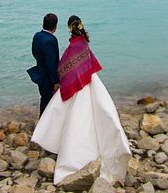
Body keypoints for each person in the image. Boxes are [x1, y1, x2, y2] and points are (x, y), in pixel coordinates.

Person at [31, 15, 131, 186]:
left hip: (74, 84)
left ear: (70, 28)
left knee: (66, 113)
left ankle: (54, 139)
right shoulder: (84, 44)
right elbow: (85, 63)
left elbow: (64, 67)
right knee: (98, 111)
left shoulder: (72, 46)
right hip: (89, 81)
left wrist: (59, 79)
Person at [28, 13, 60, 117]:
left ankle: (44, 124)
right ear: (55, 27)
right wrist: (55, 81)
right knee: (48, 102)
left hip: (40, 72)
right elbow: (51, 64)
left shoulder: (37, 35)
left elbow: (34, 51)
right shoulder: (51, 40)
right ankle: (43, 126)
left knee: (44, 98)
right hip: (48, 78)